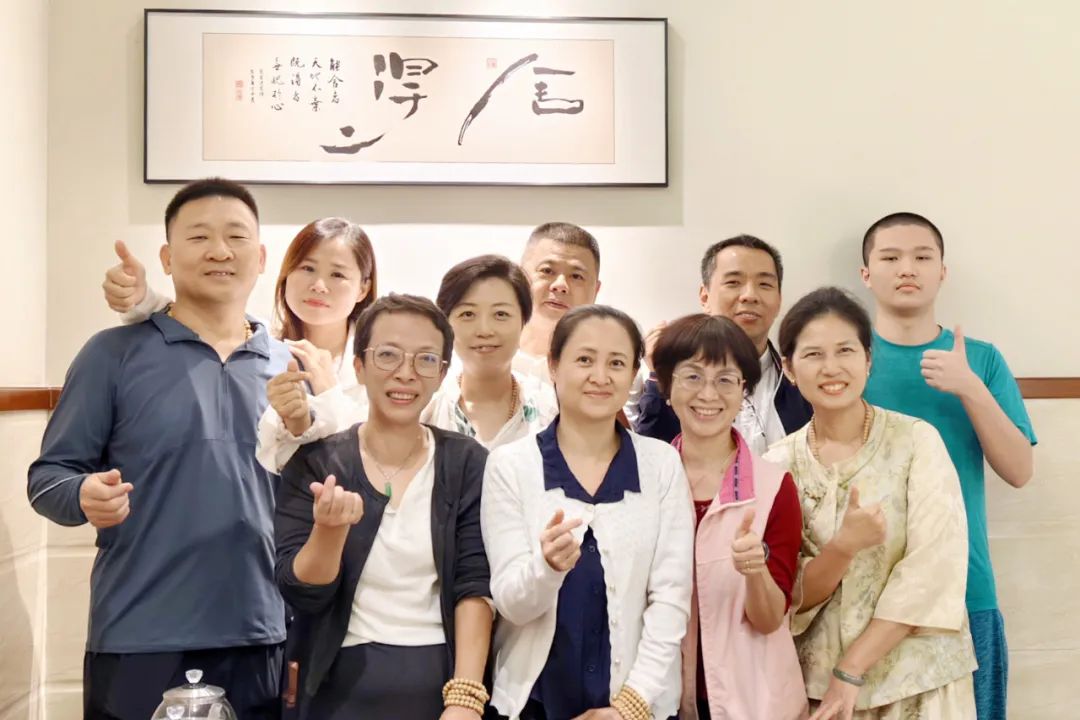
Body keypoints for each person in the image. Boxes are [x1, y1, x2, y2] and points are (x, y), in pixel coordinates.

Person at [28, 178, 289, 719]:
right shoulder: (112, 355)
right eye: (199, 237)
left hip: (261, 634)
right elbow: (48, 479)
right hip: (137, 636)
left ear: (261, 258)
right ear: (167, 258)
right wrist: (82, 494)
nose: (220, 251)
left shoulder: (291, 369)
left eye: (236, 236)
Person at [274, 294, 493, 719]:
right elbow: (301, 592)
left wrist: (465, 699)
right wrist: (329, 532)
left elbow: (475, 584)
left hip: (440, 680)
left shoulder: (466, 463)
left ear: (442, 373)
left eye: (425, 359)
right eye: (388, 355)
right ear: (359, 366)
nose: (405, 373)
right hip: (337, 687)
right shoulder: (317, 462)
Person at [764, 287, 976, 719]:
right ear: (788, 368)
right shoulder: (775, 465)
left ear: (868, 358)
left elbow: (934, 568)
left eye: (845, 350)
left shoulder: (916, 441)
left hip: (918, 683)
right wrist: (844, 546)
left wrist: (853, 668)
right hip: (820, 691)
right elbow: (787, 595)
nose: (831, 367)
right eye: (813, 354)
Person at [859, 212, 1035, 720]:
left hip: (965, 591)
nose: (906, 268)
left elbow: (1020, 470)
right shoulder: (845, 361)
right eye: (890, 257)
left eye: (922, 256)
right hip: (865, 599)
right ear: (866, 273)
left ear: (942, 271)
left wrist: (969, 388)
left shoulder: (981, 359)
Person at [482, 305, 693, 720]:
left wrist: (630, 705)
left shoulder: (661, 463)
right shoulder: (510, 465)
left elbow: (671, 597)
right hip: (534, 703)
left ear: (633, 374)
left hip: (638, 706)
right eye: (584, 359)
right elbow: (511, 604)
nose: (600, 376)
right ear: (553, 366)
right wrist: (545, 568)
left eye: (616, 363)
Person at [99, 217, 378, 470]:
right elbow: (192, 319)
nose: (318, 285)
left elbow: (372, 461)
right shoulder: (258, 342)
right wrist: (138, 297)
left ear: (363, 288)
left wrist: (329, 394)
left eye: (337, 274)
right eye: (307, 268)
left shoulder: (381, 363)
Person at [650, 314, 806, 720]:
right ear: (666, 387)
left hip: (754, 703)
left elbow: (769, 620)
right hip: (659, 700)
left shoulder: (774, 487)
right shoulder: (644, 481)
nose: (708, 394)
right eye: (692, 376)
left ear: (743, 391)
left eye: (725, 380)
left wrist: (755, 571)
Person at [634, 235, 811, 450]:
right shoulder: (668, 376)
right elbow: (647, 456)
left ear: (779, 300)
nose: (750, 295)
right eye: (733, 282)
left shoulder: (801, 379)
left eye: (764, 284)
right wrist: (660, 378)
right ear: (705, 297)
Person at [424, 254, 558, 448]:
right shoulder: (427, 411)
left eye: (501, 314)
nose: (484, 330)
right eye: (468, 314)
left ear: (523, 320)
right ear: (446, 324)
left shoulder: (551, 412)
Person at [514, 222, 602, 384]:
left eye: (576, 276)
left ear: (595, 291)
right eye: (547, 271)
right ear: (519, 278)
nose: (561, 285)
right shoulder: (477, 357)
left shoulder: (612, 371)